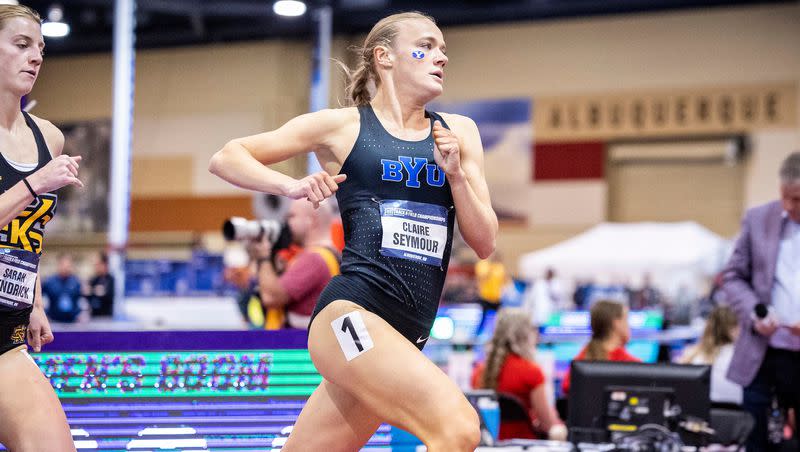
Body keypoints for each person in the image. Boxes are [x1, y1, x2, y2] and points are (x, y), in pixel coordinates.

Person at [209, 11, 497, 451]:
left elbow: (485, 243)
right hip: (350, 316)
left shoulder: (458, 133)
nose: (441, 57)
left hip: (406, 335)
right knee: (458, 428)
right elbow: (228, 156)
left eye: (443, 49)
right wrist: (290, 184)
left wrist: (456, 176)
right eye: (427, 46)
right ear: (384, 57)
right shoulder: (343, 127)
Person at [0, 5, 84, 451]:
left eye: (40, 49)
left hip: (6, 335)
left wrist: (31, 299)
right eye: (21, 45)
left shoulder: (47, 138)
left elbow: (29, 231)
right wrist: (35, 183)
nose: (35, 57)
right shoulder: (43, 167)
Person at [721, 151, 800, 451]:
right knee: (754, 438)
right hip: (763, 353)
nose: (792, 206)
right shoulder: (757, 220)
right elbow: (732, 276)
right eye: (787, 197)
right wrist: (756, 313)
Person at [471, 308, 566, 441]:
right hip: (526, 444)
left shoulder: (479, 373)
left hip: (489, 444)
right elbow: (547, 424)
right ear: (524, 335)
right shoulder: (531, 372)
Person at [254, 199, 340, 330]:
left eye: (292, 216)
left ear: (312, 220)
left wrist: (263, 257)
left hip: (297, 344)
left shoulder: (313, 258)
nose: (287, 223)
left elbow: (271, 297)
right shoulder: (332, 253)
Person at [561, 300, 639, 394]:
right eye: (626, 320)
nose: (629, 326)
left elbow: (567, 388)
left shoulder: (582, 361)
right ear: (616, 323)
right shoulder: (633, 365)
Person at [678, 305, 742, 405]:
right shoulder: (741, 358)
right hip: (737, 415)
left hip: (699, 416)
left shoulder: (693, 356)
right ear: (732, 328)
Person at [42, 253, 82, 323]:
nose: (66, 268)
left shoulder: (76, 281)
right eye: (64, 265)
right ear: (59, 265)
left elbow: (81, 300)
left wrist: (81, 314)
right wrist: (44, 315)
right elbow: (42, 299)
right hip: (53, 320)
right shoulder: (49, 281)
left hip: (72, 321)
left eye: (68, 265)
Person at [474, 252, 506, 336]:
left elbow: (503, 281)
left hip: (496, 298)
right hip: (485, 297)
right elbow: (482, 278)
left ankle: (499, 335)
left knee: (500, 319)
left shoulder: (499, 267)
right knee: (483, 319)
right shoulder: (482, 265)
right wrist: (491, 266)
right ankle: (477, 336)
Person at [84, 251, 114, 318]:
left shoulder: (111, 279)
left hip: (107, 317)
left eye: (97, 264)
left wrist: (102, 292)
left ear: (104, 264)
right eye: (94, 264)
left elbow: (110, 296)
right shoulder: (93, 280)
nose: (95, 267)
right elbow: (87, 296)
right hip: (93, 316)